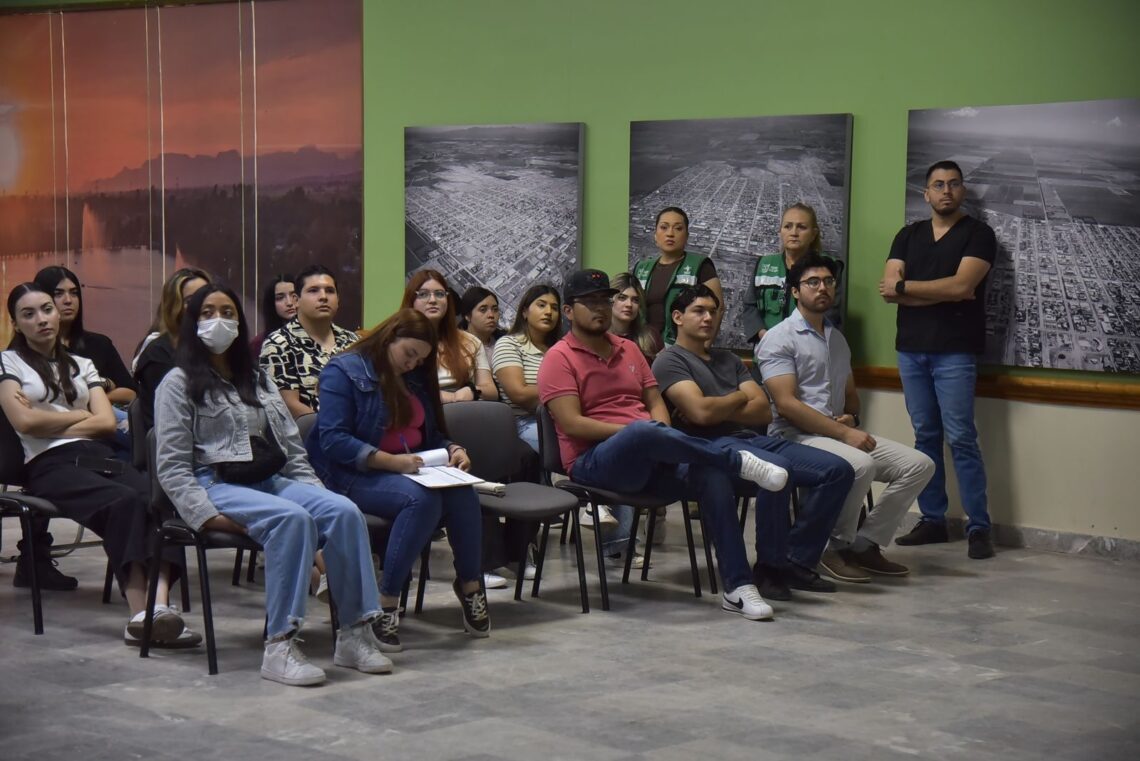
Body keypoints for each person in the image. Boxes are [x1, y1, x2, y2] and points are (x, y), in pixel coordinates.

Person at [154, 283, 391, 686]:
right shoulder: (177, 383)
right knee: (292, 519)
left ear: (239, 322)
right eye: (207, 313)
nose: (218, 321)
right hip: (214, 483)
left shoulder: (257, 378)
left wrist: (317, 494)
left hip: (268, 478)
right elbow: (173, 468)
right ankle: (280, 645)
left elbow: (291, 448)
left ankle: (354, 634)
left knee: (344, 511)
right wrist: (207, 517)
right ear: (192, 322)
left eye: (227, 312)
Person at [537, 269, 791, 621]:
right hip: (594, 462)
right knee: (643, 431)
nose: (601, 308)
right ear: (568, 311)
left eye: (605, 300)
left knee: (710, 475)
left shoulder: (629, 349)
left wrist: (658, 436)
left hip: (649, 454)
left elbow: (655, 403)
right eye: (590, 302)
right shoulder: (558, 358)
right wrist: (637, 434)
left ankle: (738, 587)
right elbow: (572, 424)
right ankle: (736, 461)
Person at [1, 283, 196, 646]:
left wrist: (50, 418)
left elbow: (106, 423)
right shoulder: (7, 362)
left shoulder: (83, 364)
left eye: (46, 309)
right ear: (16, 322)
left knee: (161, 498)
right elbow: (24, 423)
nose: (41, 319)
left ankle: (159, 608)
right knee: (124, 503)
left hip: (97, 456)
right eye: (29, 314)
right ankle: (139, 616)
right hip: (48, 464)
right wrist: (80, 414)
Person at [652, 284, 854, 600]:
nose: (708, 318)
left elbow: (761, 411)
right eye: (699, 311)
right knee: (777, 470)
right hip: (708, 448)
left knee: (839, 470)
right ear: (677, 317)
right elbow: (701, 414)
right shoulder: (669, 361)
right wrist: (737, 397)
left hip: (749, 438)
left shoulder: (728, 359)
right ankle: (769, 569)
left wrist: (716, 405)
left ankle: (795, 560)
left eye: (713, 312)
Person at [308, 308, 490, 649]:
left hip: (409, 469)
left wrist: (453, 448)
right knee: (419, 500)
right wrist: (390, 462)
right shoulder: (343, 370)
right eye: (409, 353)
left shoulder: (415, 378)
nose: (412, 363)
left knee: (463, 492)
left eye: (419, 359)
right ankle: (386, 601)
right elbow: (333, 440)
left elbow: (431, 434)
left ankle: (470, 586)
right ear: (390, 337)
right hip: (350, 474)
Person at [758, 254, 935, 584]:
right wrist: (843, 433)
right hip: (793, 436)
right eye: (813, 282)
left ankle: (864, 545)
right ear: (795, 291)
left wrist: (851, 418)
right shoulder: (779, 338)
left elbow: (850, 394)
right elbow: (786, 405)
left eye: (828, 281)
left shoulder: (836, 338)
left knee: (919, 465)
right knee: (860, 464)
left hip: (833, 433)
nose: (822, 288)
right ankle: (832, 547)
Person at [880, 160, 997, 560]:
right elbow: (889, 289)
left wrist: (907, 288)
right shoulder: (908, 235)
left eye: (953, 184)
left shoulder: (978, 234)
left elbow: (962, 286)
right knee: (925, 437)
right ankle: (933, 520)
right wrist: (936, 292)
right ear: (926, 193)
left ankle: (979, 527)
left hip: (955, 351)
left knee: (961, 438)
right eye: (938, 184)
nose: (946, 190)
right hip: (911, 350)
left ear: (961, 190)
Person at [259, 265, 357, 419]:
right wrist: (334, 428)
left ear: (338, 300)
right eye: (313, 290)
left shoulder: (353, 342)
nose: (323, 297)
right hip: (308, 431)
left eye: (330, 291)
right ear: (296, 300)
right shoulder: (278, 344)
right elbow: (288, 405)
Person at [743, 203, 845, 343]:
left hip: (810, 350)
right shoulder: (764, 264)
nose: (794, 233)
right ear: (780, 231)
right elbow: (750, 306)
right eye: (787, 226)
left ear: (813, 234)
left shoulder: (828, 268)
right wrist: (764, 336)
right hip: (767, 349)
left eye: (801, 227)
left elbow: (831, 314)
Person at [402, 270, 497, 404]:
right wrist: (443, 397)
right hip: (417, 407)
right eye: (423, 294)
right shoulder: (397, 341)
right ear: (411, 299)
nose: (433, 300)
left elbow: (492, 391)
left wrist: (473, 390)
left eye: (440, 294)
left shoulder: (471, 341)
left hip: (462, 408)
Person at [633, 207, 724, 345]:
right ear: (655, 235)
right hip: (643, 345)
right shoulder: (641, 268)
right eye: (664, 227)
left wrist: (703, 347)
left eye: (678, 228)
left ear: (687, 236)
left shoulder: (700, 266)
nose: (670, 233)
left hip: (682, 348)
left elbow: (718, 308)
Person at [134, 267, 210, 430]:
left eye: (206, 297)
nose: (202, 306)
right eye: (191, 301)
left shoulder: (220, 349)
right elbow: (168, 425)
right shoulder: (159, 354)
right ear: (175, 308)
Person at [608, 272, 663, 362]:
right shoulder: (598, 337)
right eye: (622, 298)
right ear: (609, 300)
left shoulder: (651, 337)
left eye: (635, 300)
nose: (629, 304)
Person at [250, 274, 297, 360]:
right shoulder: (259, 344)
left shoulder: (317, 337)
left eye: (294, 295)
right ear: (271, 304)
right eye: (280, 298)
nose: (289, 303)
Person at [458, 286, 504, 368]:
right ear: (467, 316)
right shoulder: (456, 347)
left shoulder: (504, 340)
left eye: (495, 309)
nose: (491, 315)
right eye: (483, 310)